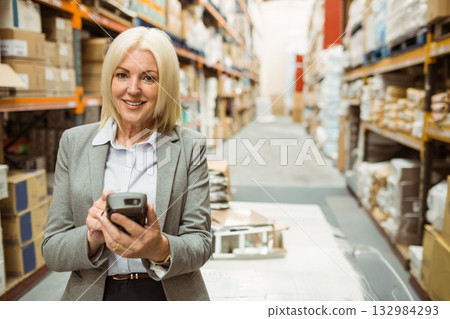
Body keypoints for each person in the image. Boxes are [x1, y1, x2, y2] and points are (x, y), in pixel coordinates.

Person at [42, 27, 212, 301]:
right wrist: (92, 238)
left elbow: (201, 244)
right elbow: (52, 250)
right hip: (95, 297)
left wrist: (159, 247)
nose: (133, 89)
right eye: (122, 75)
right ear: (109, 80)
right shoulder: (74, 142)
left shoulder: (190, 146)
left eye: (148, 78)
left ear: (165, 86)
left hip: (168, 295)